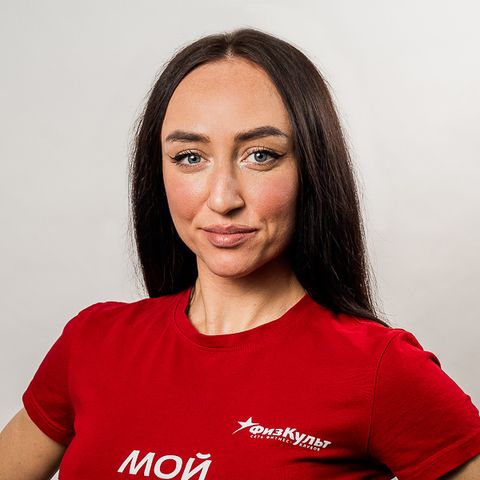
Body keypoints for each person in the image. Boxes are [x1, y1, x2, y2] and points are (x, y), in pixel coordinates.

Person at [0, 27, 479, 480]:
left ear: (311, 167)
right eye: (190, 157)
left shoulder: (377, 369)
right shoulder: (93, 344)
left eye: (260, 155)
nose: (223, 198)